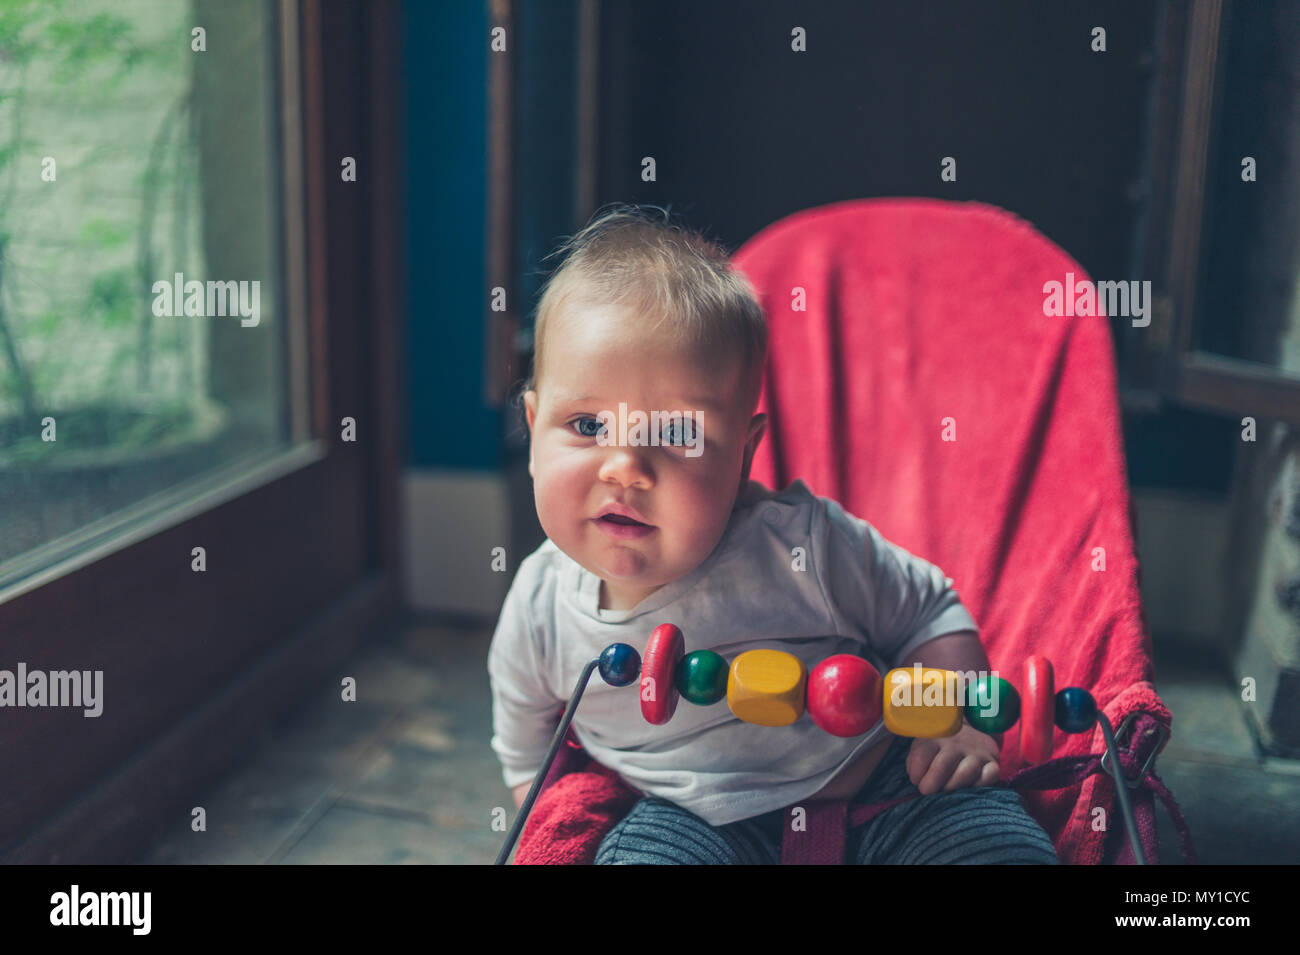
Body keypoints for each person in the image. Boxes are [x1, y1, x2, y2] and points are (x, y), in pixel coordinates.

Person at [488, 203, 1058, 864]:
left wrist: (955, 719)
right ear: (532, 431)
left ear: (744, 455)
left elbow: (930, 609)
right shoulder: (538, 608)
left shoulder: (802, 544)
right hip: (692, 818)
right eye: (587, 426)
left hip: (886, 783)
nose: (627, 467)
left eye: (677, 433)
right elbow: (527, 747)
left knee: (997, 847)